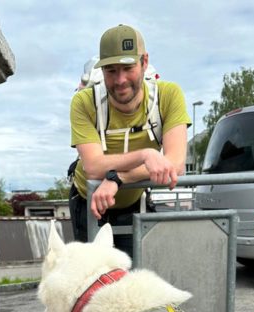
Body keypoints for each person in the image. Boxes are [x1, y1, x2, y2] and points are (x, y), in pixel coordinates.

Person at [69, 24, 191, 256]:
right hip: (88, 199)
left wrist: (119, 178)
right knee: (93, 279)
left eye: (128, 67)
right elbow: (93, 167)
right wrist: (147, 155)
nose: (120, 80)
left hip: (132, 201)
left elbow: (174, 164)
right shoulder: (84, 102)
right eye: (111, 71)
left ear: (144, 62)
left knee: (130, 275)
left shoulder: (168, 95)